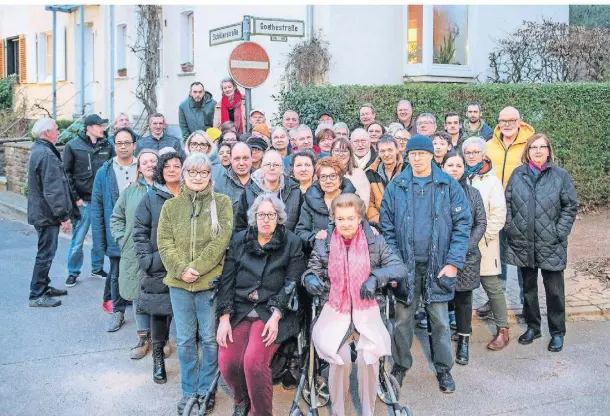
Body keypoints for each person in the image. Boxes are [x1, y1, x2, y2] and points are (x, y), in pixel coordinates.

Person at [379, 134, 472, 393]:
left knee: (440, 321)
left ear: (433, 155)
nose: (417, 158)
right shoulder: (397, 185)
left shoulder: (448, 185)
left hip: (439, 266)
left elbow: (463, 224)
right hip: (405, 267)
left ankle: (444, 369)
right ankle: (400, 364)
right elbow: (386, 225)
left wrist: (453, 262)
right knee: (402, 320)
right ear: (406, 156)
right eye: (412, 154)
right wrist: (395, 261)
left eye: (422, 153)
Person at [302, 194, 407, 416]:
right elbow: (311, 270)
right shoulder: (324, 243)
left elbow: (399, 268)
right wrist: (309, 279)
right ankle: (338, 412)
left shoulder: (374, 241)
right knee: (340, 359)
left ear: (360, 218)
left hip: (366, 310)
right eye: (340, 219)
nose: (346, 224)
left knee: (367, 359)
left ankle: (368, 411)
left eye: (351, 218)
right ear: (334, 219)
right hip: (334, 310)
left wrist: (375, 278)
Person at [157, 153, 233, 414]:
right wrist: (180, 269)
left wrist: (197, 269)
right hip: (179, 284)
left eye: (203, 173)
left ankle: (206, 390)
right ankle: (189, 391)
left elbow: (220, 242)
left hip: (208, 284)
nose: (197, 177)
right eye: (192, 172)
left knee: (210, 339)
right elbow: (164, 242)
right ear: (184, 175)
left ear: (210, 176)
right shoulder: (171, 207)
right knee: (186, 339)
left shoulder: (222, 203)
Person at [216, 194, 306, 416]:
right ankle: (241, 400)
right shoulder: (239, 240)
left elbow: (292, 283)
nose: (266, 219)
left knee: (253, 362)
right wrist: (224, 319)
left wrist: (276, 315)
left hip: (272, 310)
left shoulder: (291, 242)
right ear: (254, 217)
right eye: (262, 215)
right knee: (228, 361)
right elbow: (226, 280)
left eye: (271, 215)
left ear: (279, 217)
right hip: (240, 308)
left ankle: (261, 412)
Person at [504, 134, 578, 353]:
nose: (537, 151)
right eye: (533, 147)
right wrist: (510, 226)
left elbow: (570, 206)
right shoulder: (518, 174)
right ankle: (533, 327)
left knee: (554, 291)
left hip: (551, 243)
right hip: (522, 242)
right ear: (527, 151)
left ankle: (557, 332)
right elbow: (507, 202)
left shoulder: (560, 175)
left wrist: (559, 231)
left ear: (548, 150)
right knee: (528, 290)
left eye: (542, 147)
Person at [132, 150, 185, 383]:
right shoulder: (151, 198)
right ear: (161, 171)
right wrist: (148, 260)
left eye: (177, 165)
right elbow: (140, 232)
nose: (172, 169)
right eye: (168, 166)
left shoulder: (190, 195)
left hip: (186, 266)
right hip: (159, 266)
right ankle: (158, 359)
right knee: (159, 314)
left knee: (185, 316)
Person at [110, 148, 159, 358]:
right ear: (139, 167)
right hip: (135, 251)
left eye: (153, 161)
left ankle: (160, 339)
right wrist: (122, 239)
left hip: (159, 251)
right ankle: (142, 338)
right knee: (138, 295)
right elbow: (116, 217)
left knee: (159, 295)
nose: (149, 165)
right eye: (145, 162)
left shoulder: (167, 189)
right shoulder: (130, 191)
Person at [461, 137, 510, 351]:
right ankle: (464, 329)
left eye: (475, 152)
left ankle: (503, 329)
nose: (471, 155)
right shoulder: (461, 178)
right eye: (468, 152)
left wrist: (482, 237)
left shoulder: (491, 181)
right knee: (463, 288)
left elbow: (498, 214)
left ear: (483, 154)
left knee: (492, 286)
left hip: (485, 244)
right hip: (462, 244)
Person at [482, 106, 534, 303]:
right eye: (503, 121)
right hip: (495, 209)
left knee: (523, 255)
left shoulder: (530, 145)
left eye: (511, 120)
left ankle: (525, 301)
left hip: (521, 209)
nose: (507, 124)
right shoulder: (488, 146)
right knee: (497, 254)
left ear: (520, 121)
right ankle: (496, 299)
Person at [91, 127, 138, 332]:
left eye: (127, 143)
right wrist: (100, 239)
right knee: (117, 273)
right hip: (118, 233)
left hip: (141, 231)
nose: (123, 147)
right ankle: (118, 312)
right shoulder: (105, 171)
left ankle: (146, 316)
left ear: (134, 145)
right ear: (114, 145)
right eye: (119, 143)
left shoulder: (144, 167)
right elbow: (97, 205)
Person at [441, 151, 487, 365]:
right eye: (450, 165)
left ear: (464, 169)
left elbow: (481, 223)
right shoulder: (435, 192)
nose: (454, 169)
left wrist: (465, 246)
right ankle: (439, 343)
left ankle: (463, 342)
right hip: (441, 254)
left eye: (458, 165)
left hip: (467, 256)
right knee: (441, 299)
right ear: (442, 167)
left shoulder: (473, 194)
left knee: (464, 300)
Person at [27, 118, 76, 307]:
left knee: (45, 252)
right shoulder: (45, 154)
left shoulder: (40, 150)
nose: (58, 132)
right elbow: (53, 190)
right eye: (56, 129)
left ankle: (43, 286)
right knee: (45, 254)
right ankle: (37, 294)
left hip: (43, 212)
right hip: (47, 215)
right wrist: (63, 216)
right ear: (47, 132)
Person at [63, 114, 114, 287]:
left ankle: (97, 267)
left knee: (100, 237)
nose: (103, 129)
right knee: (78, 239)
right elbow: (66, 174)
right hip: (83, 201)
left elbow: (112, 170)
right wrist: (75, 199)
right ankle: (73, 272)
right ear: (89, 127)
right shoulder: (73, 145)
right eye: (100, 126)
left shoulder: (108, 145)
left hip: (102, 199)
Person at [234, 150, 303, 232]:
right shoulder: (249, 192)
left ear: (282, 168)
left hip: (288, 242)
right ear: (262, 167)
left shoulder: (296, 192)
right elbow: (239, 226)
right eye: (268, 164)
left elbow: (300, 227)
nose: (272, 168)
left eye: (276, 165)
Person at [296, 157, 357, 249]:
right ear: (319, 181)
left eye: (333, 176)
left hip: (350, 253)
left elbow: (364, 229)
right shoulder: (309, 203)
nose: (328, 181)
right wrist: (315, 237)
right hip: (318, 255)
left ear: (340, 179)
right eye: (323, 177)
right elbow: (300, 232)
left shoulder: (354, 201)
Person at [365, 135, 405, 225]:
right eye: (382, 151)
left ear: (397, 150)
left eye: (390, 150)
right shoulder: (370, 173)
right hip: (380, 224)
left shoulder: (407, 170)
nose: (386, 154)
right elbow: (369, 204)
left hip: (405, 224)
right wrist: (381, 222)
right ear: (378, 153)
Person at [330, 138, 370, 209]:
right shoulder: (325, 173)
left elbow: (364, 202)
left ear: (350, 153)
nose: (341, 154)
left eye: (345, 151)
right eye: (337, 150)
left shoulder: (359, 174)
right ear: (331, 153)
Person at [214, 142, 254, 209]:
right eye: (237, 159)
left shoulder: (262, 180)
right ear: (230, 159)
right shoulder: (219, 185)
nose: (241, 163)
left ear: (251, 158)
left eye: (245, 158)